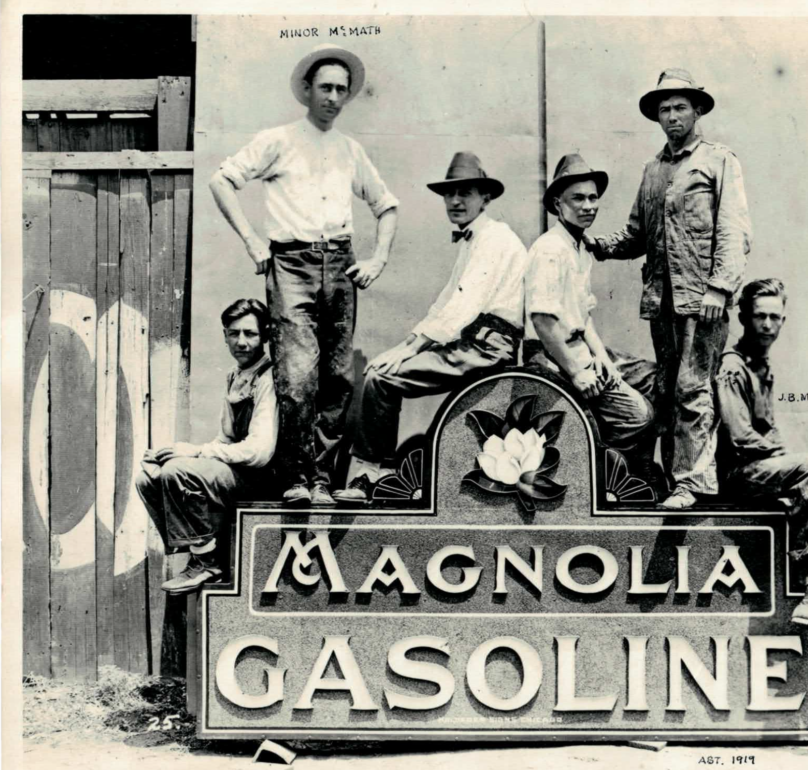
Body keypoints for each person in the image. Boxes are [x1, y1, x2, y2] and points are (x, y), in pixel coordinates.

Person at [209, 43, 399, 506]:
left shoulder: (350, 150)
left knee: (338, 377)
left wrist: (377, 259)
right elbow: (222, 180)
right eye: (325, 88)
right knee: (296, 375)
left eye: (341, 90)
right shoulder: (278, 140)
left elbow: (387, 205)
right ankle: (295, 478)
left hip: (340, 265)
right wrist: (253, 242)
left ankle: (323, 481)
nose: (333, 97)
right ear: (308, 90)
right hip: (291, 264)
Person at [585, 68, 751, 510]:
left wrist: (719, 289)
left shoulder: (719, 161)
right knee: (667, 389)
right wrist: (598, 245)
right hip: (661, 302)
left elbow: (734, 232)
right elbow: (636, 234)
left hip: (703, 302)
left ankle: (692, 485)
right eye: (664, 109)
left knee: (693, 390)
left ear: (697, 111)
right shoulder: (652, 170)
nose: (672, 116)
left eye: (680, 107)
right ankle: (669, 482)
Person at [336, 152, 527, 501]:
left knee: (380, 378)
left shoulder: (495, 238)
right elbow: (444, 302)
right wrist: (404, 347)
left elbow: (463, 305)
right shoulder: (475, 238)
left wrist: (410, 349)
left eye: (465, 193)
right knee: (383, 370)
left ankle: (368, 475)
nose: (455, 201)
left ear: (485, 198)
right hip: (473, 343)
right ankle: (377, 472)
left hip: (488, 347)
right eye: (449, 194)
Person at [715, 278, 808, 638]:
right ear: (743, 318)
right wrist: (787, 462)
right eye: (760, 316)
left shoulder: (761, 365)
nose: (768, 325)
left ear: (783, 320)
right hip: (737, 474)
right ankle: (803, 559)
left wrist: (783, 464)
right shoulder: (733, 366)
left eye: (775, 317)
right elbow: (739, 436)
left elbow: (767, 432)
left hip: (761, 474)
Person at [524, 153, 657, 473]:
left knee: (655, 379)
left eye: (593, 198)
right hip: (551, 354)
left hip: (578, 346)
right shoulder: (550, 249)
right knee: (638, 416)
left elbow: (583, 318)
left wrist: (603, 359)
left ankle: (640, 474)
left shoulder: (580, 246)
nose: (588, 206)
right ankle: (604, 476)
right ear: (557, 204)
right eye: (578, 198)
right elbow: (542, 321)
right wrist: (577, 372)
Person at [136, 299, 279, 595]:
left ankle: (206, 562)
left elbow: (259, 453)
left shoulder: (269, 378)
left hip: (265, 480)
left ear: (265, 336)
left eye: (250, 334)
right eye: (234, 333)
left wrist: (196, 453)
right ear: (225, 336)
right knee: (149, 476)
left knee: (178, 472)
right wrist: (180, 449)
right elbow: (225, 440)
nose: (241, 342)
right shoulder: (235, 375)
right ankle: (197, 550)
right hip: (239, 473)